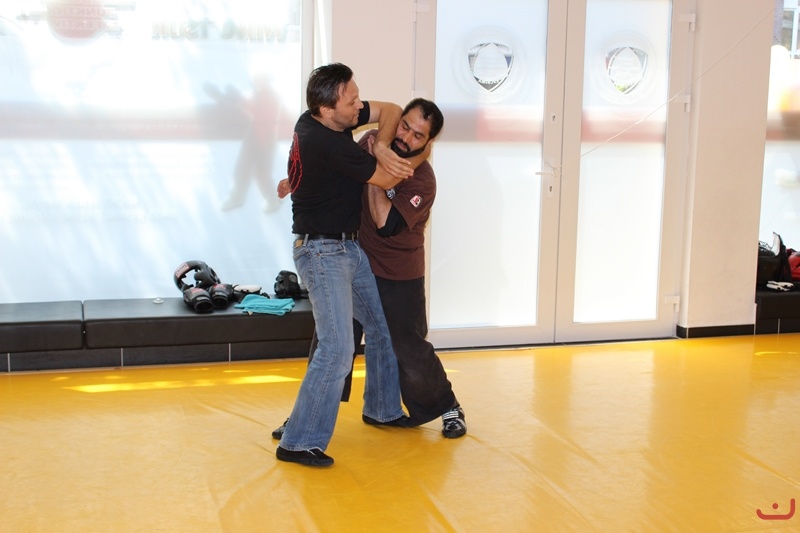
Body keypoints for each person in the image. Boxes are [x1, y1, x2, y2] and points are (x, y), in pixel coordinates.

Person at [274, 98, 466, 441]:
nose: (405, 137)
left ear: (428, 143)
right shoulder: (372, 141)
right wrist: (298, 180)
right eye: (405, 125)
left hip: (397, 269)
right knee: (330, 343)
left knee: (408, 345)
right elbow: (337, 171)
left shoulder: (423, 180)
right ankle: (303, 418)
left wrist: (378, 171)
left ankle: (447, 405)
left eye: (418, 136)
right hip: (351, 257)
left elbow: (384, 222)